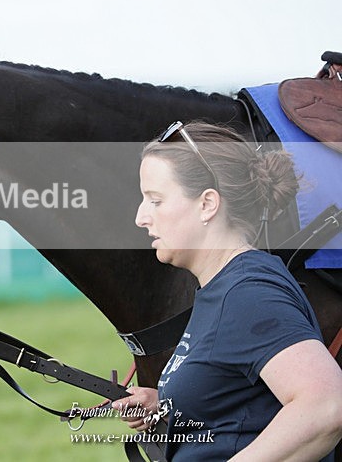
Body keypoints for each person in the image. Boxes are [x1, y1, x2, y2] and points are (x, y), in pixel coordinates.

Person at [113, 121, 342, 461]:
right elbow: (243, 404)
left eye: (155, 200)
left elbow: (326, 406)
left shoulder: (249, 293)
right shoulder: (222, 287)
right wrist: (172, 406)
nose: (140, 217)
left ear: (207, 204)